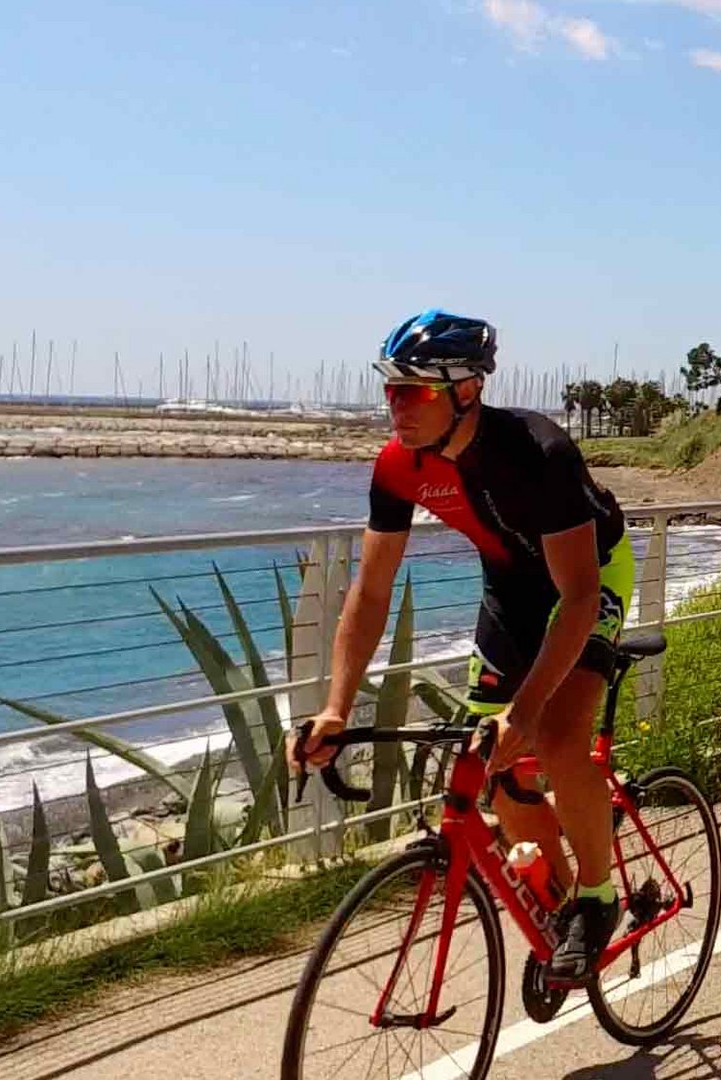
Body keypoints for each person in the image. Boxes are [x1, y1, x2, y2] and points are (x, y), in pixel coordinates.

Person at [289, 309, 633, 983]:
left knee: (558, 738)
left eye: (413, 390)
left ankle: (598, 900)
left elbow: (579, 598)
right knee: (497, 773)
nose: (396, 406)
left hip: (587, 579)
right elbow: (371, 592)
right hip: (509, 590)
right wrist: (335, 707)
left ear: (466, 390)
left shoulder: (539, 452)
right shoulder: (397, 465)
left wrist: (527, 711)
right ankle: (560, 909)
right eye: (390, 389)